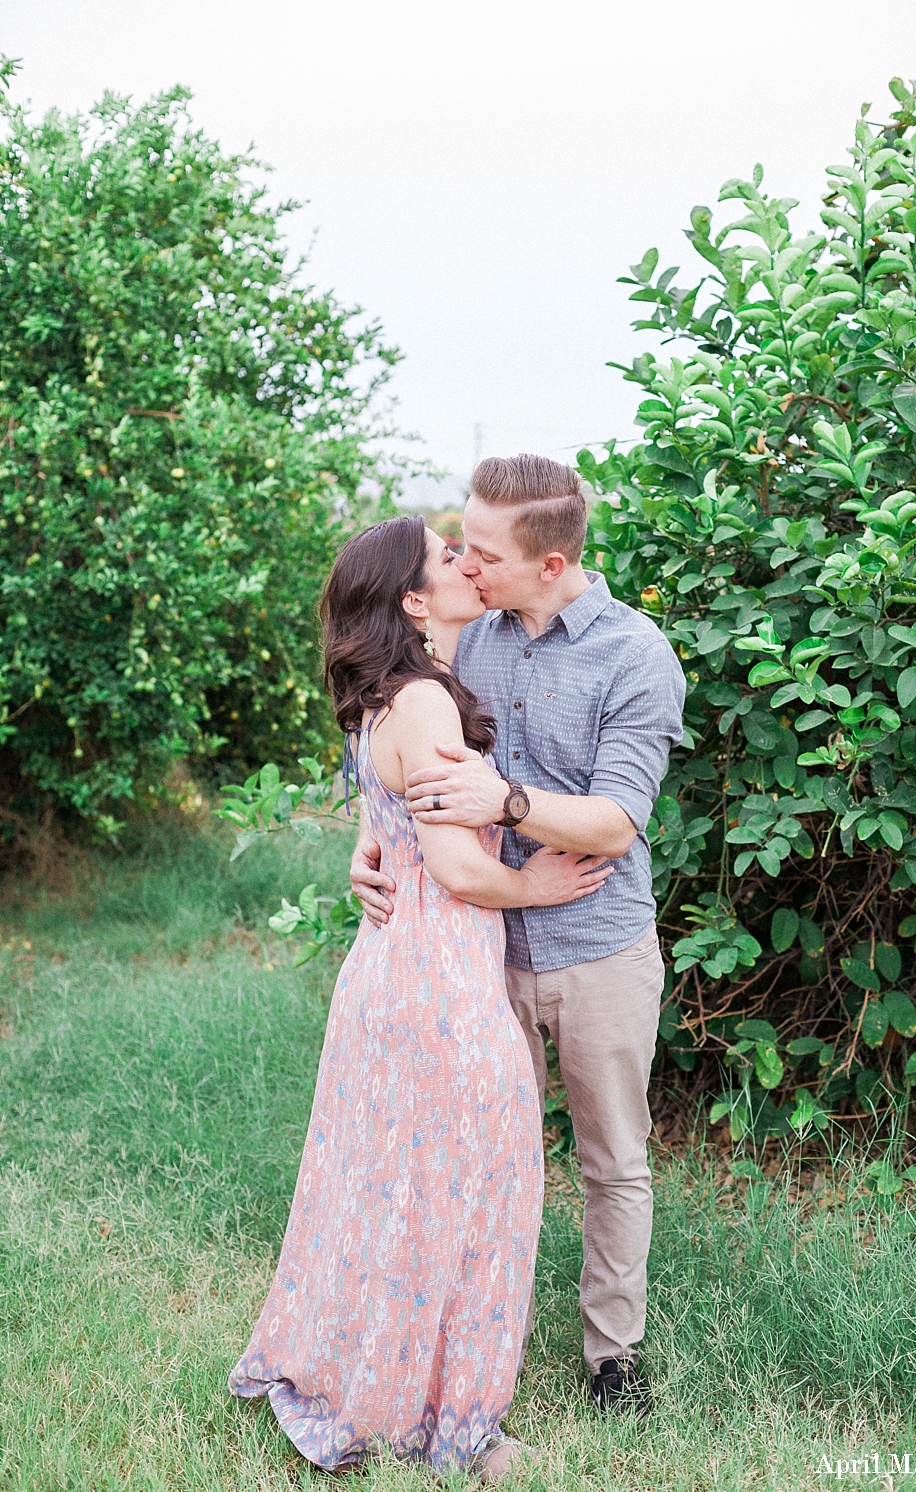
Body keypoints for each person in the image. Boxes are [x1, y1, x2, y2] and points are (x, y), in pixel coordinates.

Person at [229, 515, 614, 1480]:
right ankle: (458, 1426)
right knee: (482, 1189)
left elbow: (390, 827)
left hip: (386, 978)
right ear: (412, 598)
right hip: (440, 985)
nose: (466, 565)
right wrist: (538, 885)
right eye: (448, 558)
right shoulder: (426, 702)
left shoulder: (379, 702)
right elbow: (454, 867)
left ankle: (378, 1383)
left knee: (388, 1194)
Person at [351, 455, 686, 1415]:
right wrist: (375, 839)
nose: (466, 563)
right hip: (479, 952)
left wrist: (507, 799)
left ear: (549, 563)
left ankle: (611, 1355)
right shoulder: (468, 637)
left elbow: (618, 822)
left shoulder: (634, 654)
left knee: (612, 1161)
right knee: (476, 1153)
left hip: (599, 952)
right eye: (460, 544)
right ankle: (464, 1329)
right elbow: (398, 743)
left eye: (483, 552)